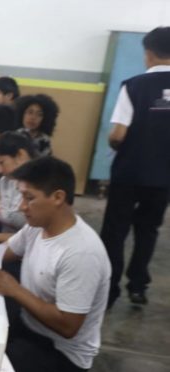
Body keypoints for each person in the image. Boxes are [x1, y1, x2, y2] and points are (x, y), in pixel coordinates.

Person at [0, 157, 111, 372]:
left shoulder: (81, 253)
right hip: (30, 323)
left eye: (29, 198)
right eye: (22, 196)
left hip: (60, 353)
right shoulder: (37, 226)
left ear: (58, 197)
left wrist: (14, 290)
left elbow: (68, 326)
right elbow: (5, 252)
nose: (21, 206)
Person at [101, 26, 170, 308]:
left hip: (129, 172)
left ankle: (109, 288)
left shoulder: (134, 85)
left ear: (148, 53)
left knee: (116, 231)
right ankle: (138, 286)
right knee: (148, 230)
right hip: (163, 176)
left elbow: (118, 135)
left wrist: (118, 146)